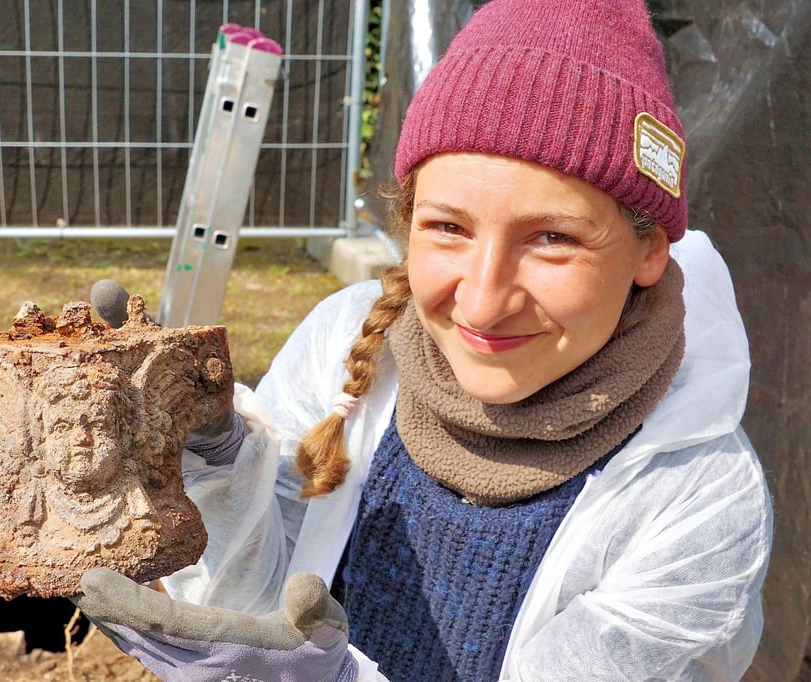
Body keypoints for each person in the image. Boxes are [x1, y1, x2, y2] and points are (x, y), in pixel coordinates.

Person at [73, 0, 774, 679]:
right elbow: (250, 600)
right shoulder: (344, 344)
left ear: (650, 251)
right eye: (449, 228)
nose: (484, 299)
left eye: (553, 239)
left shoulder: (697, 500)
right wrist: (214, 472)